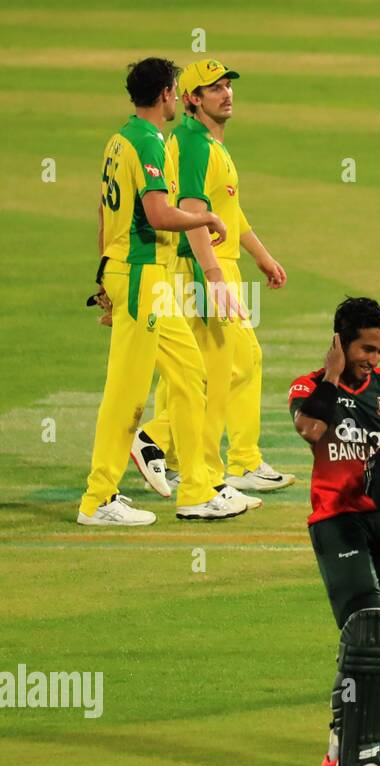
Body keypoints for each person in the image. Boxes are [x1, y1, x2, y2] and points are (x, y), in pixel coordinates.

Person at [78, 57, 243, 526]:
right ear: (169, 94)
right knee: (126, 391)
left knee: (191, 375)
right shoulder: (149, 143)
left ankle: (195, 490)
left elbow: (103, 211)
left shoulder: (119, 140)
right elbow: (157, 214)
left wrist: (103, 271)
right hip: (140, 276)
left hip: (137, 276)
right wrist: (207, 218)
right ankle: (98, 499)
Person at [133, 58, 293, 506]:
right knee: (221, 369)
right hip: (204, 269)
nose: (226, 93)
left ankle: (210, 462)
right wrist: (216, 277)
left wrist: (260, 255)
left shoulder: (206, 142)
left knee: (212, 369)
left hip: (214, 268)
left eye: (228, 85)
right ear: (190, 98)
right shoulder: (197, 145)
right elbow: (192, 211)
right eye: (214, 88)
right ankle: (175, 451)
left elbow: (226, 212)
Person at [289, 297, 380, 766]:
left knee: (372, 637)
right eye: (366, 348)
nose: (375, 359)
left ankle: (339, 746)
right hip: (335, 520)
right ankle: (364, 757)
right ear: (341, 341)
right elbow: (310, 428)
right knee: (365, 625)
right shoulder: (308, 387)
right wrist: (333, 375)